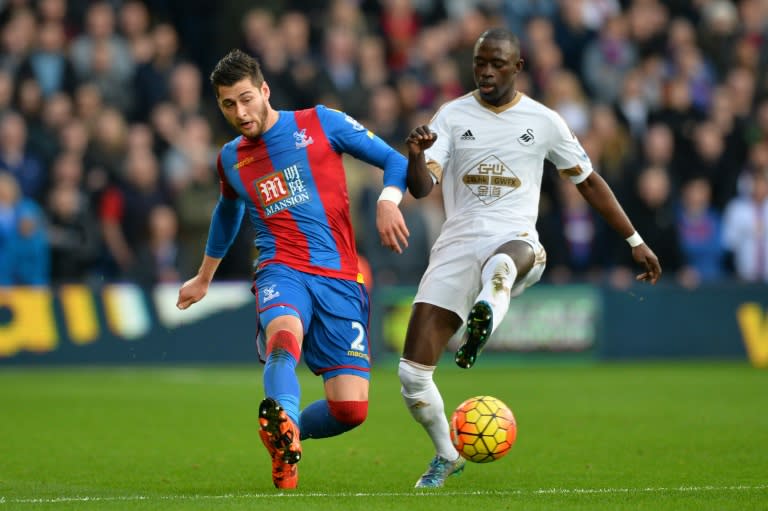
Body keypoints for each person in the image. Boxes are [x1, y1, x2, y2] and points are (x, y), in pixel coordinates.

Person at [399, 28, 662, 488]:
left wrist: (634, 240)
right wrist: (416, 157)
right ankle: (446, 454)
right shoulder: (451, 115)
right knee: (411, 376)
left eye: (496, 64)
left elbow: (589, 182)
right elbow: (422, 189)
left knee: (502, 265)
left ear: (517, 68)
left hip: (515, 239)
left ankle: (483, 317)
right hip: (456, 246)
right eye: (479, 62)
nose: (485, 71)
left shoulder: (544, 122)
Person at [175, 49, 411, 489]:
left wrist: (387, 201)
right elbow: (228, 213)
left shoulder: (323, 123)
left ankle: (286, 438)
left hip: (340, 275)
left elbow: (396, 161)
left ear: (264, 91)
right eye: (228, 104)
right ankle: (281, 420)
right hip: (280, 267)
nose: (240, 112)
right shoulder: (231, 158)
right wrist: (204, 275)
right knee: (285, 337)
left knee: (350, 411)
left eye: (246, 99)